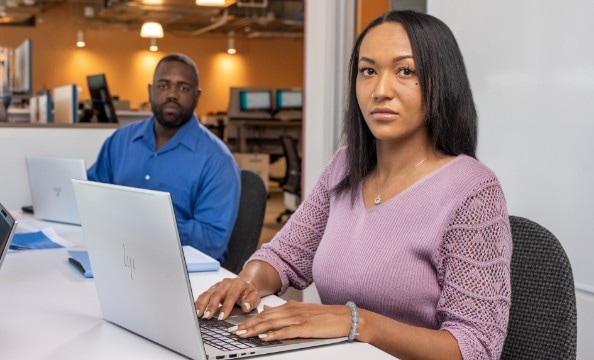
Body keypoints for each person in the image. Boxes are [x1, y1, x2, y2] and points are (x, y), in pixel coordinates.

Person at [195, 10, 512, 360]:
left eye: (406, 71)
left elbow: (475, 348)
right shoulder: (345, 166)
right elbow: (284, 256)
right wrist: (247, 282)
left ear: (441, 82)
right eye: (368, 71)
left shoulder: (473, 191)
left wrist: (358, 322)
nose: (380, 90)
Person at [87, 53, 241, 261]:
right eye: (163, 85)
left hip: (184, 267)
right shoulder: (120, 141)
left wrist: (152, 222)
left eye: (183, 88)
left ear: (197, 96)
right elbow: (91, 195)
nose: (172, 94)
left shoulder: (218, 161)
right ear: (150, 91)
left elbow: (212, 241)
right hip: (119, 254)